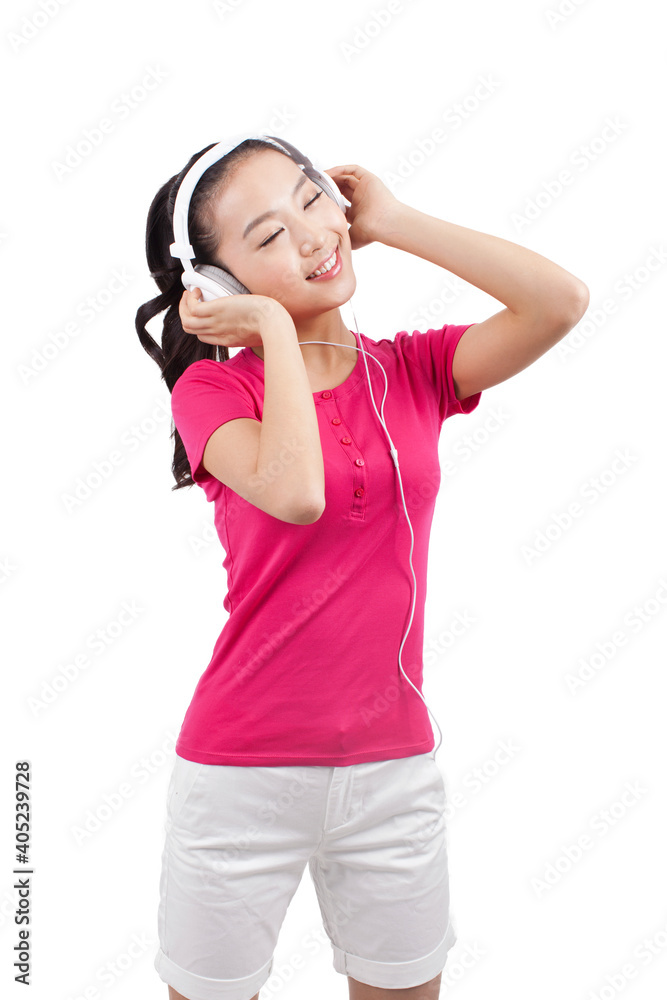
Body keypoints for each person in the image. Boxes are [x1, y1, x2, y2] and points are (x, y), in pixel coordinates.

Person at [135, 135, 589, 1000]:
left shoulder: (411, 369)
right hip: (240, 776)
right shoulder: (213, 396)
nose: (310, 237)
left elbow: (559, 302)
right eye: (267, 238)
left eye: (312, 199)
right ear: (216, 288)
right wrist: (269, 329)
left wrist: (397, 218)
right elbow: (296, 492)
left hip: (393, 770)